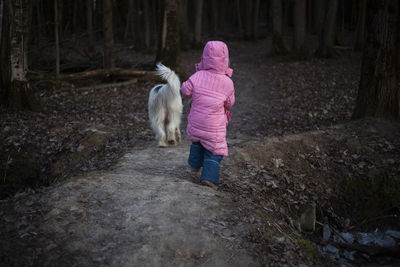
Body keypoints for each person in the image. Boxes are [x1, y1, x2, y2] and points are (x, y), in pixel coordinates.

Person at [181, 41, 235, 190]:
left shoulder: (197, 76)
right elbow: (230, 103)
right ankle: (209, 178)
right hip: (214, 126)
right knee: (214, 150)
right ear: (226, 60)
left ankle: (194, 163)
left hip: (196, 122)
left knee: (198, 141)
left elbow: (185, 90)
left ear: (204, 57)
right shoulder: (227, 82)